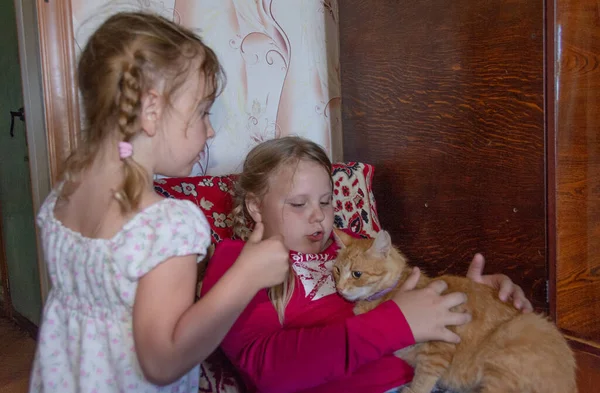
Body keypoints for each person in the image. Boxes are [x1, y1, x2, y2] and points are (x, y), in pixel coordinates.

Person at [29, 12, 289, 393]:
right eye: (202, 111)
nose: (210, 129)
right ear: (151, 111)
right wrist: (247, 276)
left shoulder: (65, 193)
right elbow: (163, 360)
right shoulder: (166, 227)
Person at [201, 136, 533, 393]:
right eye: (299, 204)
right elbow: (267, 369)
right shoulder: (237, 261)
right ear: (257, 208)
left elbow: (422, 313)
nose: (318, 215)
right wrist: (395, 323)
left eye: (327, 201)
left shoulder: (350, 248)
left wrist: (474, 300)